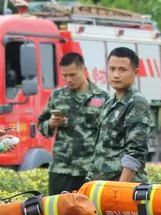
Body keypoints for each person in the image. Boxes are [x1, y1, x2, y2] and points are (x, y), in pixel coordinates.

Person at [37, 52, 109, 195]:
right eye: (65, 75)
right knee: (57, 212)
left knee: (91, 212)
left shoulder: (102, 97)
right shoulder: (57, 96)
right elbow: (41, 125)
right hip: (62, 169)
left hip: (90, 169)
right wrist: (51, 124)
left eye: (73, 75)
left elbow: (109, 133)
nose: (68, 79)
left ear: (83, 70)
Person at [87, 47, 153, 184]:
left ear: (135, 72)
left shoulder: (136, 103)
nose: (116, 75)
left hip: (124, 189)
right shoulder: (110, 102)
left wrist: (119, 191)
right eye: (112, 69)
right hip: (103, 186)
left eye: (122, 70)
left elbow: (135, 152)